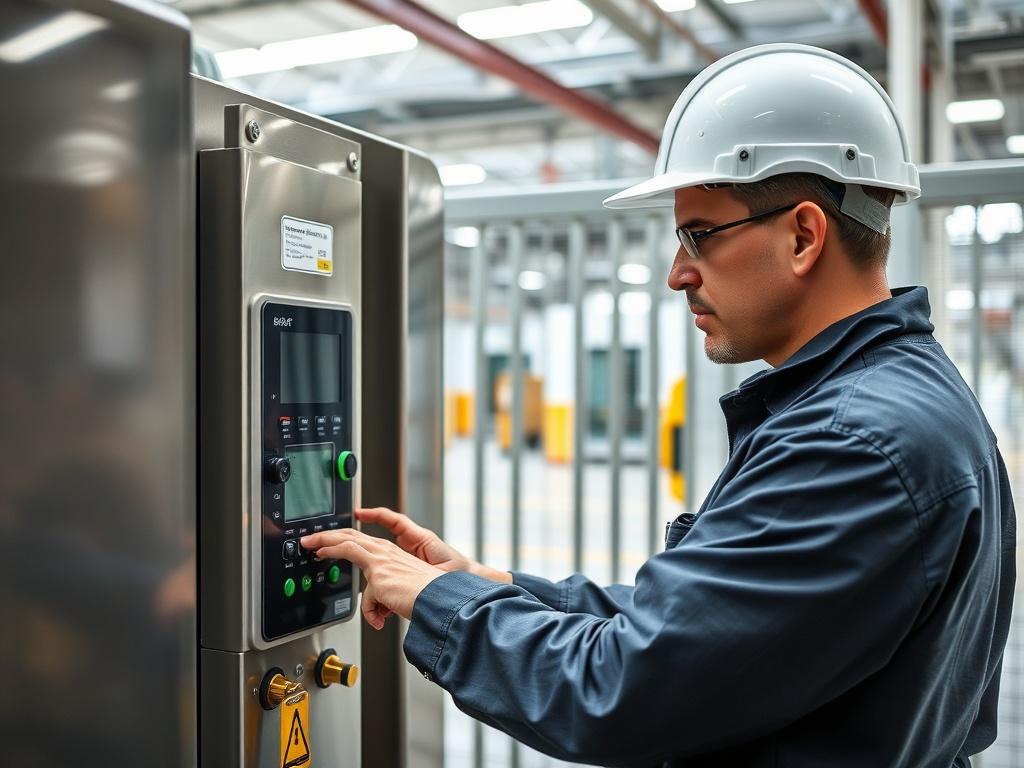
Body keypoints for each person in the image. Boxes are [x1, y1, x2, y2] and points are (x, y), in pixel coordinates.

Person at [301, 44, 1016, 766]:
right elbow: (708, 628)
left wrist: (438, 604)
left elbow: (619, 691)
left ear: (804, 235)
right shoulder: (899, 397)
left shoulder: (851, 443)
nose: (678, 273)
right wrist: (501, 589)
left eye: (699, 235)